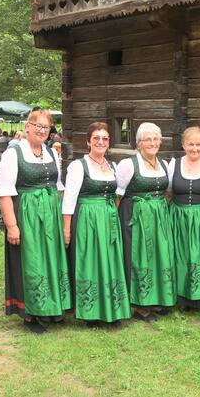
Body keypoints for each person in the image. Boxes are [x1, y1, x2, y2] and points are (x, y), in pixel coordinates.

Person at [0, 108, 70, 334]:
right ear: (27, 126)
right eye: (37, 125)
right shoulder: (13, 153)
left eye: (46, 127)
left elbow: (58, 187)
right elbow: (5, 193)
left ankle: (52, 307)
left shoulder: (51, 153)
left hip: (51, 213)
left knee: (52, 258)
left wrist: (64, 217)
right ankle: (31, 313)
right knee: (32, 260)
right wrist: (12, 226)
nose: (41, 130)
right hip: (27, 214)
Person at [62, 122, 131, 325]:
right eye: (96, 138)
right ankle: (91, 312)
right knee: (90, 262)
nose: (101, 142)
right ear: (88, 141)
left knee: (109, 261)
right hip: (87, 219)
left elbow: (117, 194)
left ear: (109, 142)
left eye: (105, 138)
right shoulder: (78, 166)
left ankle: (112, 309)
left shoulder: (112, 166)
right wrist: (67, 229)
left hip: (108, 219)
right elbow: (69, 200)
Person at [116, 122, 176, 322]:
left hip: (159, 216)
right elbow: (117, 196)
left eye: (156, 139)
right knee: (140, 256)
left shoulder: (164, 164)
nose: (152, 143)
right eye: (147, 139)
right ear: (139, 143)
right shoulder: (128, 164)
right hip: (136, 217)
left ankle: (156, 299)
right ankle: (140, 305)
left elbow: (167, 192)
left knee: (158, 255)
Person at [167, 126, 200, 311]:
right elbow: (168, 192)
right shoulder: (173, 165)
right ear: (183, 145)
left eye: (198, 144)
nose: (195, 148)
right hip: (178, 217)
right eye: (190, 144)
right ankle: (183, 298)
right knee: (181, 256)